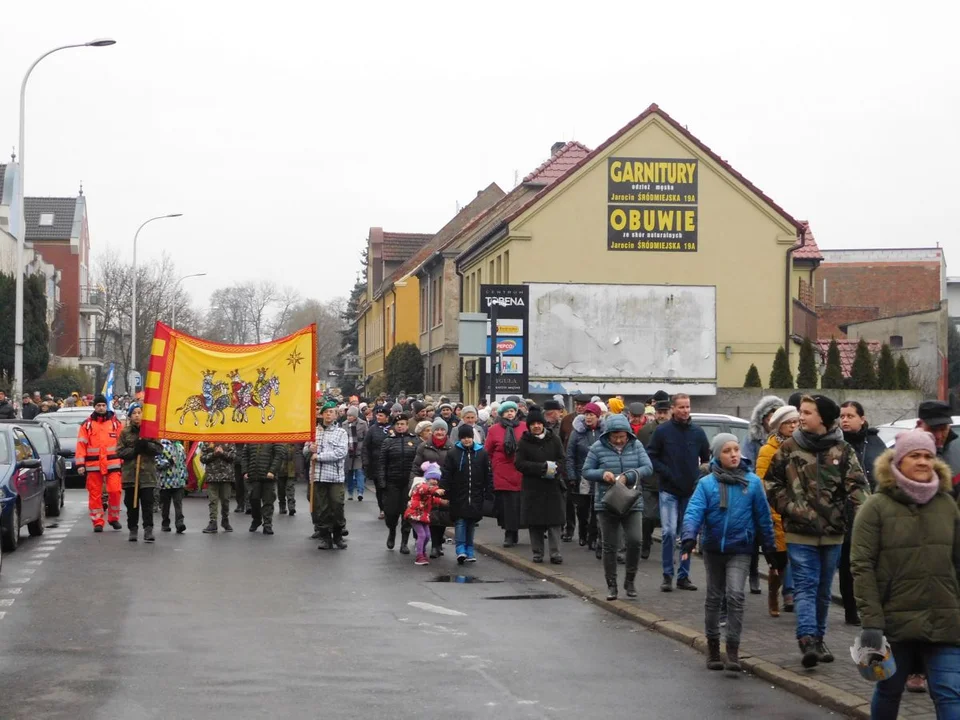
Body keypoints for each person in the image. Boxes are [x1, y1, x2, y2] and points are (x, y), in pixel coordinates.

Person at [852, 429, 960, 718]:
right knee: (888, 691)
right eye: (915, 455)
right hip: (894, 623)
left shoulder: (947, 505)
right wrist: (871, 622)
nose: (923, 461)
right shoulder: (875, 507)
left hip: (944, 621)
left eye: (928, 455)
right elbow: (861, 566)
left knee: (950, 695)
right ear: (898, 461)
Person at [767, 394, 868, 668]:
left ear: (822, 418)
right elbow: (771, 483)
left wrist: (867, 520)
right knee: (806, 586)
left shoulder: (843, 450)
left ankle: (818, 638)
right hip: (800, 531)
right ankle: (807, 639)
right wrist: (790, 508)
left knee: (824, 590)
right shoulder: (789, 448)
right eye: (801, 411)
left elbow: (858, 487)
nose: (801, 416)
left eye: (807, 412)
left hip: (833, 532)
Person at [682, 433, 779, 673]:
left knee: (735, 594)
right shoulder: (707, 484)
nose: (734, 454)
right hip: (714, 547)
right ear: (717, 455)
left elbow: (763, 518)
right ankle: (713, 647)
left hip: (741, 548)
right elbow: (694, 511)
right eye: (727, 451)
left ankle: (733, 649)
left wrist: (770, 548)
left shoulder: (752, 482)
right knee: (715, 597)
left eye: (736, 449)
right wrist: (689, 537)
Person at [581, 414, 653, 600]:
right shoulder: (597, 447)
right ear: (608, 435)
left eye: (622, 436)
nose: (619, 440)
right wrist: (602, 473)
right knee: (609, 545)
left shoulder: (636, 446)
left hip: (631, 501)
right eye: (615, 437)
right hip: (607, 502)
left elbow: (648, 467)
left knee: (635, 540)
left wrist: (628, 476)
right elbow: (586, 471)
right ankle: (611, 585)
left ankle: (630, 580)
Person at [647, 393, 710, 592]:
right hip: (668, 490)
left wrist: (699, 477)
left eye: (687, 407)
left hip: (690, 491)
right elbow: (652, 456)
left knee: (687, 534)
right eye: (681, 407)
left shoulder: (698, 432)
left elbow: (706, 460)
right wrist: (667, 473)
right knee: (668, 532)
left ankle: (684, 575)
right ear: (673, 408)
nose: (685, 411)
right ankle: (667, 574)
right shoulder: (663, 432)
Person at [838, 400, 887, 626]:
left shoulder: (876, 443)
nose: (845, 420)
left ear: (862, 418)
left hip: (875, 512)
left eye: (850, 415)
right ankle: (850, 610)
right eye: (842, 416)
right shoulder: (836, 444)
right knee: (849, 565)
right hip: (845, 514)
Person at [755, 404, 800, 617]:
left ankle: (793, 597)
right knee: (778, 563)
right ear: (778, 426)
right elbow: (762, 484)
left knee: (796, 559)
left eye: (796, 422)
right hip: (775, 512)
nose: (793, 426)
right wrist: (771, 513)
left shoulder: (801, 447)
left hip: (797, 512)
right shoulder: (768, 450)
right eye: (788, 423)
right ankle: (774, 592)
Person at [514, 408, 567, 564]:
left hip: (552, 486)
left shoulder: (554, 439)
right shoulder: (524, 442)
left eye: (539, 423)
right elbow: (519, 463)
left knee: (554, 522)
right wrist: (541, 467)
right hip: (533, 486)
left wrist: (555, 468)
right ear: (529, 426)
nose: (536, 426)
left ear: (543, 424)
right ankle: (537, 552)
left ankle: (555, 553)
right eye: (533, 424)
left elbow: (562, 459)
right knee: (535, 522)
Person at [443, 423, 493, 564]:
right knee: (460, 521)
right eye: (464, 438)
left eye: (469, 437)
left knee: (471, 522)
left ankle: (470, 549)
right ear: (460, 438)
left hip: (476, 494)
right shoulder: (453, 453)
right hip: (458, 493)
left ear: (473, 437)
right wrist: (444, 489)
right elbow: (447, 473)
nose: (466, 440)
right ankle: (460, 549)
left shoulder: (482, 453)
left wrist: (489, 491)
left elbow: (488, 474)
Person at [76, 394, 124, 532]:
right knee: (95, 493)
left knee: (115, 491)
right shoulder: (87, 425)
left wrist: (124, 461)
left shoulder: (116, 423)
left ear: (106, 406)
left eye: (103, 405)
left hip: (113, 463)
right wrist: (80, 464)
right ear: (94, 407)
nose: (101, 408)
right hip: (93, 465)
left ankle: (113, 518)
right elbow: (81, 445)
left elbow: (122, 443)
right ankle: (97, 521)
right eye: (98, 405)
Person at [116, 403, 162, 543]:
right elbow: (120, 451)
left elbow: (159, 449)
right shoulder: (125, 432)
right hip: (131, 475)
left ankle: (148, 529)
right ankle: (133, 529)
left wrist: (147, 446)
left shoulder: (150, 431)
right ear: (130, 416)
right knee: (132, 504)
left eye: (139, 412)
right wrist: (134, 451)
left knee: (147, 503)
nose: (137, 415)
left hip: (147, 474)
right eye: (134, 413)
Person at [307, 401, 349, 550]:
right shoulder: (314, 432)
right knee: (322, 509)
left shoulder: (341, 432)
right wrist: (309, 449)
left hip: (335, 477)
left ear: (336, 415)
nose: (328, 414)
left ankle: (338, 536)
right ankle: (325, 538)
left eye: (331, 412)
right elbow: (306, 451)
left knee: (337, 506)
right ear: (321, 414)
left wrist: (319, 456)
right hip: (318, 476)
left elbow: (340, 453)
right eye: (326, 412)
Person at [485, 400, 528, 547]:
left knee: (517, 503)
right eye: (507, 411)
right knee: (506, 505)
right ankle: (509, 533)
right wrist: (494, 465)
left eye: (512, 410)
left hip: (520, 470)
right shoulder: (494, 429)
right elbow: (488, 451)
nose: (510, 413)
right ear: (502, 413)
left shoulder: (524, 427)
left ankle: (515, 530)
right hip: (502, 471)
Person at [411, 418, 452, 558]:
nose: (439, 432)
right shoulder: (424, 446)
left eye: (442, 430)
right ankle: (435, 546)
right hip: (427, 486)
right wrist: (414, 484)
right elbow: (416, 467)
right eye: (437, 430)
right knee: (431, 514)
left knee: (443, 515)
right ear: (432, 431)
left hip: (444, 484)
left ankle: (438, 543)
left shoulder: (452, 446)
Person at [564, 401, 604, 547]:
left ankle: (592, 537)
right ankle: (582, 533)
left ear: (598, 416)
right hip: (582, 476)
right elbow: (569, 455)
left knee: (596, 508)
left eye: (591, 415)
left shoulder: (603, 433)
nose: (588, 417)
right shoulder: (577, 433)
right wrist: (571, 475)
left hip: (599, 475)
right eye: (586, 414)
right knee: (582, 508)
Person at [379, 413, 418, 554]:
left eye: (402, 424)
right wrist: (382, 481)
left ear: (407, 425)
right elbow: (382, 463)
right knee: (391, 512)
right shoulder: (388, 441)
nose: (400, 426)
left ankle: (404, 542)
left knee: (407, 513)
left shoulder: (415, 440)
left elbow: (418, 463)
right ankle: (392, 531)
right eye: (398, 424)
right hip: (392, 482)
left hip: (408, 483)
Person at [637, 400, 670, 559]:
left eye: (665, 412)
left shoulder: (675, 431)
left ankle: (668, 550)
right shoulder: (645, 431)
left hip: (670, 480)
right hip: (650, 480)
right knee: (648, 516)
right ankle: (646, 541)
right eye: (660, 412)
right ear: (655, 413)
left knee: (669, 519)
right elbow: (639, 454)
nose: (662, 415)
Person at [404, 462, 448, 565]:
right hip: (415, 515)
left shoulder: (430, 491)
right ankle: (419, 556)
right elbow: (426, 490)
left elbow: (433, 499)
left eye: (437, 479)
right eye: (433, 478)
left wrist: (444, 502)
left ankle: (422, 552)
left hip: (423, 516)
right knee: (422, 535)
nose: (435, 481)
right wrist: (436, 490)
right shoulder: (420, 486)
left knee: (427, 536)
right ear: (427, 478)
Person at [242, 442, 285, 535]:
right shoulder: (251, 436)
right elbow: (245, 455)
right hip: (254, 474)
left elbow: (279, 455)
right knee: (253, 499)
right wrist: (245, 471)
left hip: (268, 476)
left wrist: (272, 471)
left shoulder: (275, 436)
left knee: (268, 501)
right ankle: (257, 519)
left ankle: (267, 524)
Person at [363, 405, 392, 520]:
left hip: (391, 464)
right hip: (376, 464)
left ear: (387, 417)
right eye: (377, 415)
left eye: (381, 415)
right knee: (379, 488)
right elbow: (366, 446)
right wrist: (366, 461)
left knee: (390, 488)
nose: (378, 417)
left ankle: (391, 508)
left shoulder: (393, 428)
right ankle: (382, 509)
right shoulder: (372, 429)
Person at [200, 441, 235, 533]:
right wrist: (214, 454)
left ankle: (225, 520)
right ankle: (213, 522)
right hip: (212, 476)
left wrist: (223, 453)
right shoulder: (207, 442)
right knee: (213, 501)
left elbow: (233, 457)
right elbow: (202, 458)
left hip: (226, 476)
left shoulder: (229, 441)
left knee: (225, 500)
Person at [742, 395, 785, 466]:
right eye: (770, 420)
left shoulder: (786, 438)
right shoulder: (753, 439)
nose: (773, 424)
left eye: (777, 420)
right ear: (762, 419)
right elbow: (748, 466)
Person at [156, 439, 188, 534]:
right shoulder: (161, 446)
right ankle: (165, 524)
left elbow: (183, 464)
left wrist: (185, 476)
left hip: (178, 481)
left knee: (178, 502)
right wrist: (169, 461)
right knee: (165, 504)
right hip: (166, 481)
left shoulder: (180, 446)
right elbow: (157, 462)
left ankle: (179, 523)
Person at [344, 406, 368, 502]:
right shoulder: (344, 424)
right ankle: (350, 492)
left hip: (359, 451)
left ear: (355, 416)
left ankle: (360, 492)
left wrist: (365, 449)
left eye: (351, 415)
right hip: (348, 451)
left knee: (359, 472)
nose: (349, 417)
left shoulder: (363, 423)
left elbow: (366, 437)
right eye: (348, 415)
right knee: (349, 473)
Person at [277, 444, 297, 516]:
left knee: (290, 488)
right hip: (280, 470)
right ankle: (282, 507)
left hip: (291, 470)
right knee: (281, 490)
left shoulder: (293, 443)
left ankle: (291, 507)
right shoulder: (277, 442)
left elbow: (296, 455)